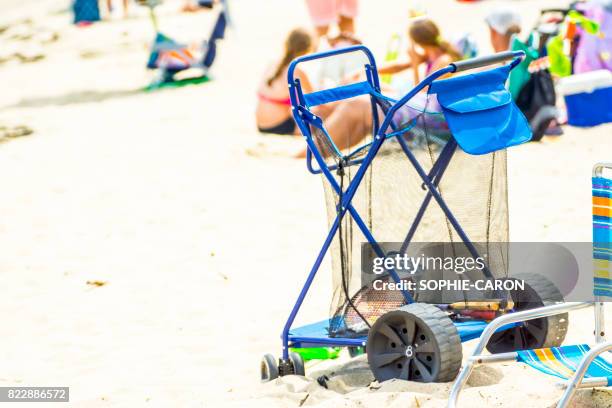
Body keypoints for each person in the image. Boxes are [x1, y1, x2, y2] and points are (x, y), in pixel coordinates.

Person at [256, 28, 315, 135]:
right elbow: (314, 97)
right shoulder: (298, 71)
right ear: (307, 50)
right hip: (279, 126)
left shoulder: (272, 64)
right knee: (321, 114)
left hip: (260, 125)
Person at [378, 18, 461, 86]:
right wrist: (374, 70)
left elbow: (422, 93)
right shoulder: (430, 54)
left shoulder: (444, 60)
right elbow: (399, 67)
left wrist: (415, 64)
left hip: (430, 102)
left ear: (417, 41)